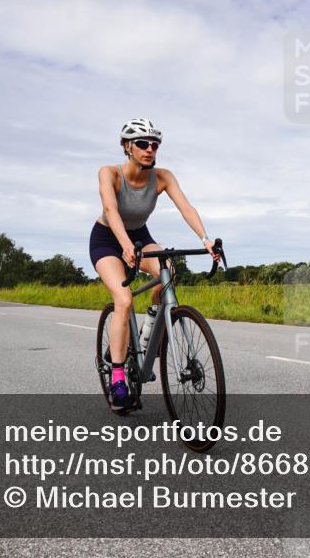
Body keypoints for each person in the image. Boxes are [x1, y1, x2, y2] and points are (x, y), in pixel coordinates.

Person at [90, 118, 219, 410]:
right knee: (122, 300)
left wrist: (205, 239)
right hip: (108, 239)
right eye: (142, 144)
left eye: (155, 144)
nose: (150, 149)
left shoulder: (163, 177)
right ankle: (119, 378)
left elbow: (186, 207)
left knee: (168, 273)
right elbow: (111, 210)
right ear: (127, 147)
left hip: (139, 236)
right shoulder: (109, 173)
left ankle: (148, 330)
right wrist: (124, 246)